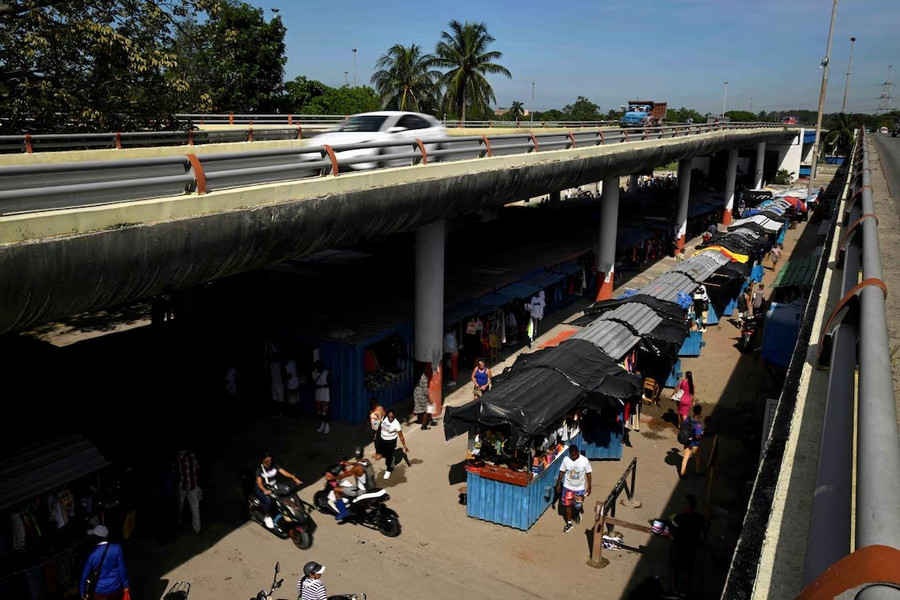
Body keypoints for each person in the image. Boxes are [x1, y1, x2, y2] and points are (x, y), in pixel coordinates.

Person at [667, 494, 706, 596]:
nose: (683, 506)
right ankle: (686, 591)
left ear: (688, 505)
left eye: (685, 504)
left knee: (673, 567)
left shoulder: (678, 518)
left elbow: (670, 533)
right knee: (688, 569)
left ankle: (673, 589)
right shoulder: (700, 518)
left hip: (678, 547)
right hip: (691, 548)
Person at [79, 525, 130, 600]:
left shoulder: (92, 555)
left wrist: (83, 592)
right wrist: (126, 585)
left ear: (96, 537)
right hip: (115, 588)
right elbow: (122, 569)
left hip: (99, 591)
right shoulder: (117, 548)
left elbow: (84, 576)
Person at [255, 451, 301, 529]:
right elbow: (259, 483)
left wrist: (293, 478)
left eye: (270, 460)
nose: (269, 462)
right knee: (268, 501)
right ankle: (267, 516)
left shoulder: (275, 465)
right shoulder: (259, 470)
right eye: (267, 460)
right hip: (262, 487)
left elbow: (283, 472)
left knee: (287, 492)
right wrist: (265, 490)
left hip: (274, 485)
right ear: (263, 460)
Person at [325, 447, 372, 518]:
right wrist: (350, 463)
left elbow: (344, 475)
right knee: (348, 486)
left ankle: (343, 512)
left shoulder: (356, 469)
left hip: (361, 490)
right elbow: (359, 463)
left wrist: (332, 477)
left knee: (336, 490)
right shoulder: (366, 461)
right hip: (371, 485)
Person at [555, 445, 592, 533]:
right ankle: (569, 522)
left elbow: (588, 473)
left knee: (577, 505)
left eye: (575, 455)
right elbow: (562, 472)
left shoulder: (584, 461)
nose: (574, 457)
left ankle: (577, 511)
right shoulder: (566, 460)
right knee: (568, 505)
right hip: (568, 487)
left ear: (578, 452)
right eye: (572, 456)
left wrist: (589, 486)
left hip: (579, 488)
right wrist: (558, 484)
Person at [173, 448, 201, 534]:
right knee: (195, 508)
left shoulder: (179, 457)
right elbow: (197, 469)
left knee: (179, 506)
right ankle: (197, 529)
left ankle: (178, 524)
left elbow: (174, 471)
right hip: (193, 485)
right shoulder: (193, 456)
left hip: (182, 486)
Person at [375, 409, 408, 479]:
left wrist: (404, 446)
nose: (390, 419)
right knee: (384, 453)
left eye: (392, 417)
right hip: (382, 439)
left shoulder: (396, 424)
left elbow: (401, 436)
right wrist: (376, 433)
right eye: (389, 417)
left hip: (391, 442)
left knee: (388, 457)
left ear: (394, 416)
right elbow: (378, 424)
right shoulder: (384, 418)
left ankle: (388, 470)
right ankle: (391, 458)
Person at [680, 404, 705, 479]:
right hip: (695, 444)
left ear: (693, 411)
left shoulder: (687, 419)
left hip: (687, 442)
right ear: (700, 412)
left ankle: (682, 474)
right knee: (697, 457)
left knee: (685, 457)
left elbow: (683, 426)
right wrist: (703, 436)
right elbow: (697, 436)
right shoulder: (698, 425)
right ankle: (698, 472)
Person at [311, 360, 332, 434]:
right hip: (318, 396)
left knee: (325, 413)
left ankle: (327, 425)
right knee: (319, 412)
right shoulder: (315, 374)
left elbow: (330, 384)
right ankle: (322, 424)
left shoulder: (327, 373)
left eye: (317, 366)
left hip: (325, 396)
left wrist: (321, 386)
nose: (316, 368)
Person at [413, 363, 432, 430]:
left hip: (416, 393)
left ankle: (420, 420)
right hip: (422, 395)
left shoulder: (417, 375)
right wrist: (430, 399)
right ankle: (424, 426)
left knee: (419, 408)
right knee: (425, 411)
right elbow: (425, 391)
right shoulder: (423, 378)